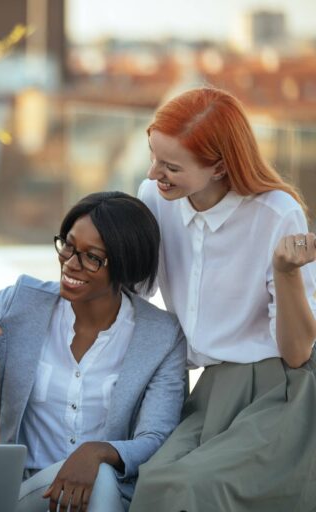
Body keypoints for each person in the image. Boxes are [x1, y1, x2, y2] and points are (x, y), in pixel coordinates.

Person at [130, 86, 316, 511]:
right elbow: (134, 289)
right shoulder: (155, 200)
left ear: (218, 167)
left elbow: (297, 351)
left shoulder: (276, 212)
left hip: (278, 390)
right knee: (154, 482)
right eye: (153, 156)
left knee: (193, 488)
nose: (155, 173)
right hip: (207, 389)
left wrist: (286, 273)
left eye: (171, 166)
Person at [0, 191, 186, 512]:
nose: (71, 264)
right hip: (24, 491)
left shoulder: (162, 335)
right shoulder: (20, 302)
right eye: (69, 246)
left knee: (100, 478)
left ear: (126, 263)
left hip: (105, 490)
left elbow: (156, 435)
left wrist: (97, 452)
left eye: (92, 257)